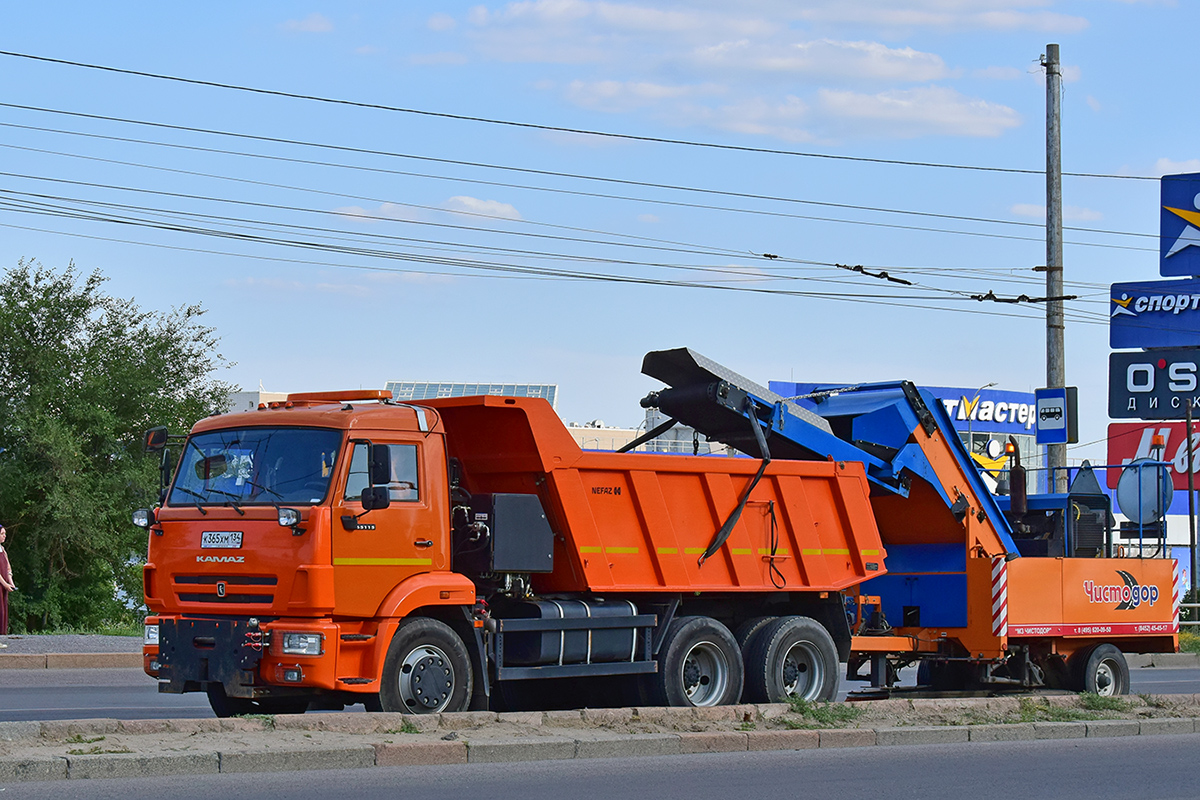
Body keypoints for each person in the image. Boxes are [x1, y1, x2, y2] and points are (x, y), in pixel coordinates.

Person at [0, 525, 13, 645]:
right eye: (2, 534)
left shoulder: (3, 550)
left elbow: (8, 568)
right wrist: (5, 584)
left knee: (3, 611)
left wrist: (11, 583)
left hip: (4, 587)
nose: (4, 536)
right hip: (0, 586)